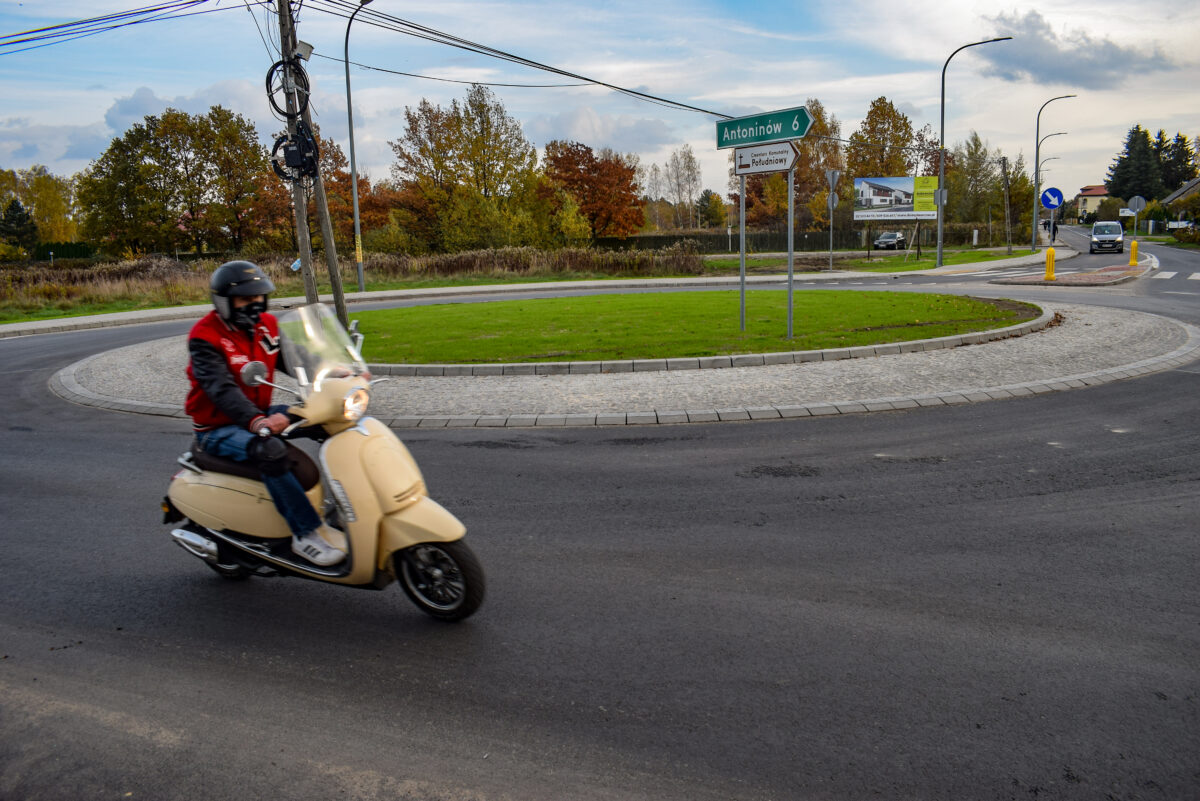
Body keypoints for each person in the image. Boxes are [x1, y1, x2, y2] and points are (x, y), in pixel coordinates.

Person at [185, 261, 347, 566]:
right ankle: (306, 534)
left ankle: (345, 506)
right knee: (270, 451)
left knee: (332, 420)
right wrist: (257, 421)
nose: (256, 305)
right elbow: (221, 390)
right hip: (217, 427)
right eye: (246, 300)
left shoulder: (266, 326)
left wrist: (335, 372)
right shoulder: (204, 337)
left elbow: (293, 358)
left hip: (258, 411)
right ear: (224, 301)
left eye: (259, 298)